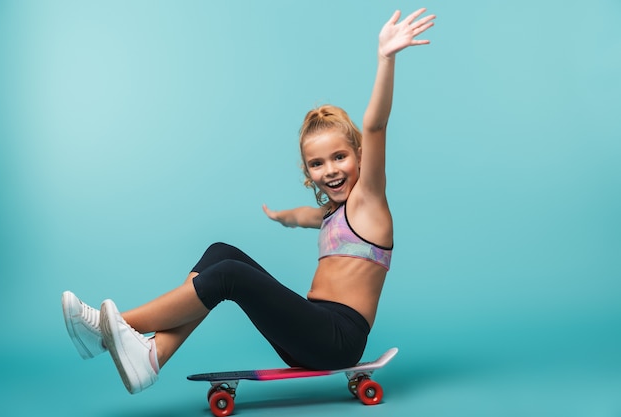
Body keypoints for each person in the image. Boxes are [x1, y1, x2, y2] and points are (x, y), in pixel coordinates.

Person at [62, 7, 435, 395]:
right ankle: (153, 354)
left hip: (337, 338)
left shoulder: (369, 202)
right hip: (307, 331)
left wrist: (385, 58)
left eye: (340, 157)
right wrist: (283, 217)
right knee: (221, 252)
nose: (330, 170)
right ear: (309, 172)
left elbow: (375, 125)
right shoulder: (332, 213)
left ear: (359, 156)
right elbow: (305, 216)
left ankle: (116, 328)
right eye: (317, 164)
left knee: (231, 277)